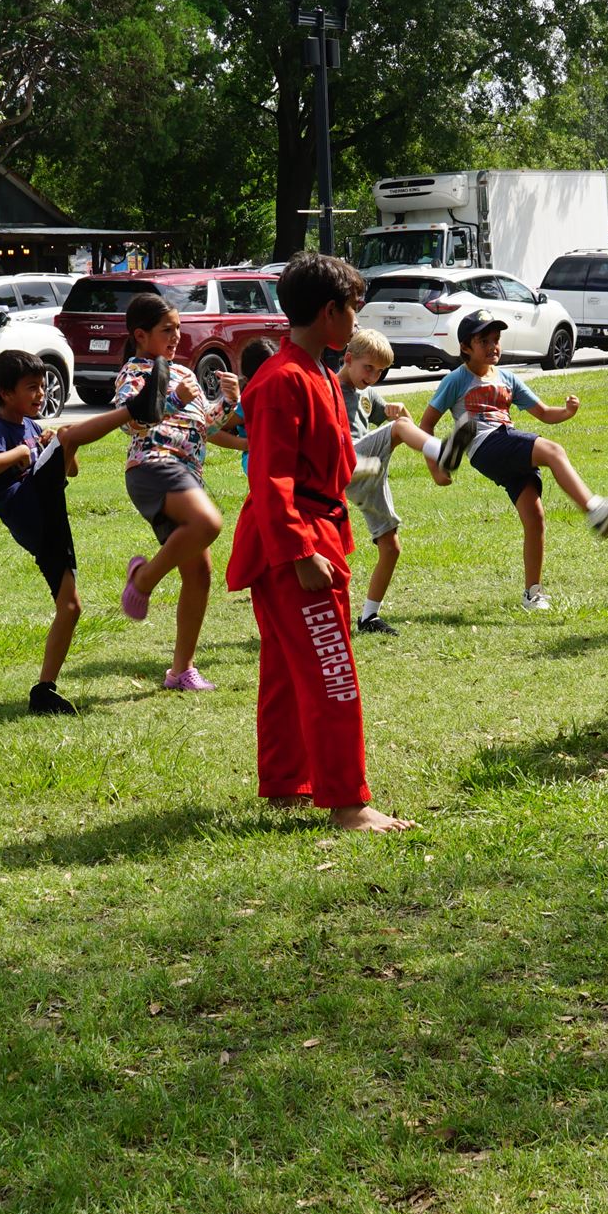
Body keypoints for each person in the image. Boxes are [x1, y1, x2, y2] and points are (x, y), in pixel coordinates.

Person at [226, 251, 414, 832]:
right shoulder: (282, 379)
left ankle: (286, 785)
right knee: (333, 669)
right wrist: (299, 551)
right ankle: (348, 803)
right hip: (294, 547)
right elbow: (270, 476)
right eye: (353, 309)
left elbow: (330, 466)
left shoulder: (323, 376)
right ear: (329, 311)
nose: (358, 320)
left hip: (318, 534)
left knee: (286, 671)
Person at [420, 310, 608, 610]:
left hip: (505, 449)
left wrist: (566, 412)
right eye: (483, 341)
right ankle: (594, 509)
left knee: (535, 518)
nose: (493, 346)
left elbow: (543, 413)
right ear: (465, 347)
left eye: (496, 340)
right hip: (485, 444)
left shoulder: (508, 378)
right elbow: (425, 425)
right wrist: (434, 470)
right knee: (553, 452)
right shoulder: (456, 380)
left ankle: (532, 594)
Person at [0, 350, 135, 715]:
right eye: (31, 387)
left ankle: (44, 690)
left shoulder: (32, 427)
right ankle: (133, 410)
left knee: (72, 606)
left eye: (42, 386)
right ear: (5, 392)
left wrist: (59, 447)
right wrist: (24, 451)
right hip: (27, 508)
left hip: (49, 519)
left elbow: (71, 471)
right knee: (67, 433)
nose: (40, 394)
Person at [113, 293, 243, 691]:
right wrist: (171, 396)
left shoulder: (185, 373)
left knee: (200, 572)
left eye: (178, 329)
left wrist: (229, 402)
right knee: (207, 521)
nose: (176, 336)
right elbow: (130, 422)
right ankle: (143, 581)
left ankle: (181, 671)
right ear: (140, 335)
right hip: (154, 467)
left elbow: (206, 426)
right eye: (166, 330)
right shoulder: (135, 371)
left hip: (187, 472)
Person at [333, 327, 454, 635]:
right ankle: (440, 451)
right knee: (400, 428)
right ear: (348, 359)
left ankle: (369, 617)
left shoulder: (366, 392)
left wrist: (394, 410)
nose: (372, 377)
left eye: (380, 372)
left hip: (369, 471)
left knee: (391, 547)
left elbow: (385, 416)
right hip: (347, 464)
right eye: (368, 368)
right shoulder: (329, 387)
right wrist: (400, 424)